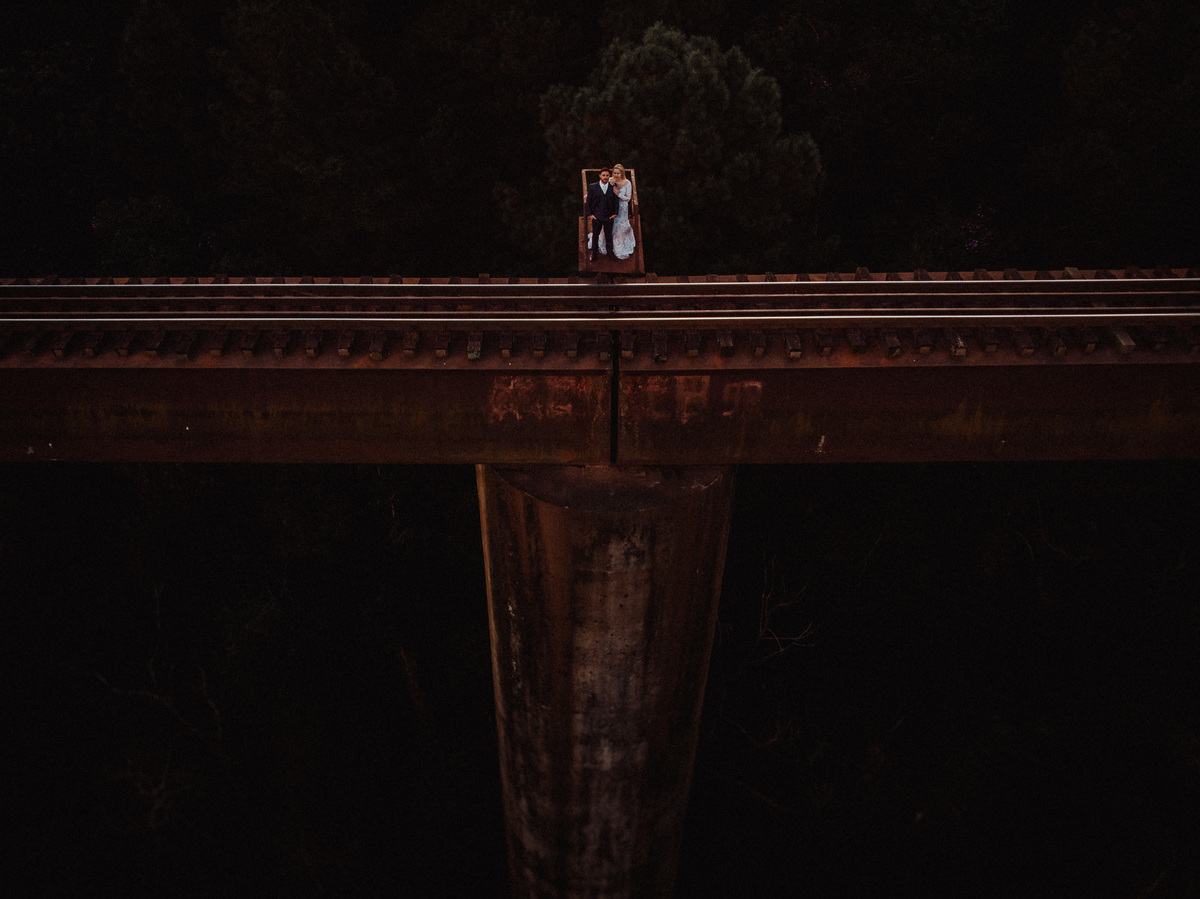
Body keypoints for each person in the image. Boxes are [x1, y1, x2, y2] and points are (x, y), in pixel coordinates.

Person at [586, 167, 619, 262]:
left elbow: (616, 201)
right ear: (600, 175)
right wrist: (590, 214)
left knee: (609, 235)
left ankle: (610, 252)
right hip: (597, 216)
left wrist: (615, 213)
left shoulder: (613, 187)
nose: (605, 177)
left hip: (609, 216)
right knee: (595, 235)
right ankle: (594, 252)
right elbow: (588, 201)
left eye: (607, 175)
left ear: (609, 176)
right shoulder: (593, 187)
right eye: (603, 175)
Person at [608, 164, 636, 260]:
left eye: (618, 173)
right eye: (615, 173)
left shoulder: (627, 183)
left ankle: (620, 245)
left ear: (622, 173)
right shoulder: (610, 180)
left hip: (622, 206)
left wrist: (618, 194)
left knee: (621, 224)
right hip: (612, 206)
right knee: (611, 223)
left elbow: (628, 198)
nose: (616, 175)